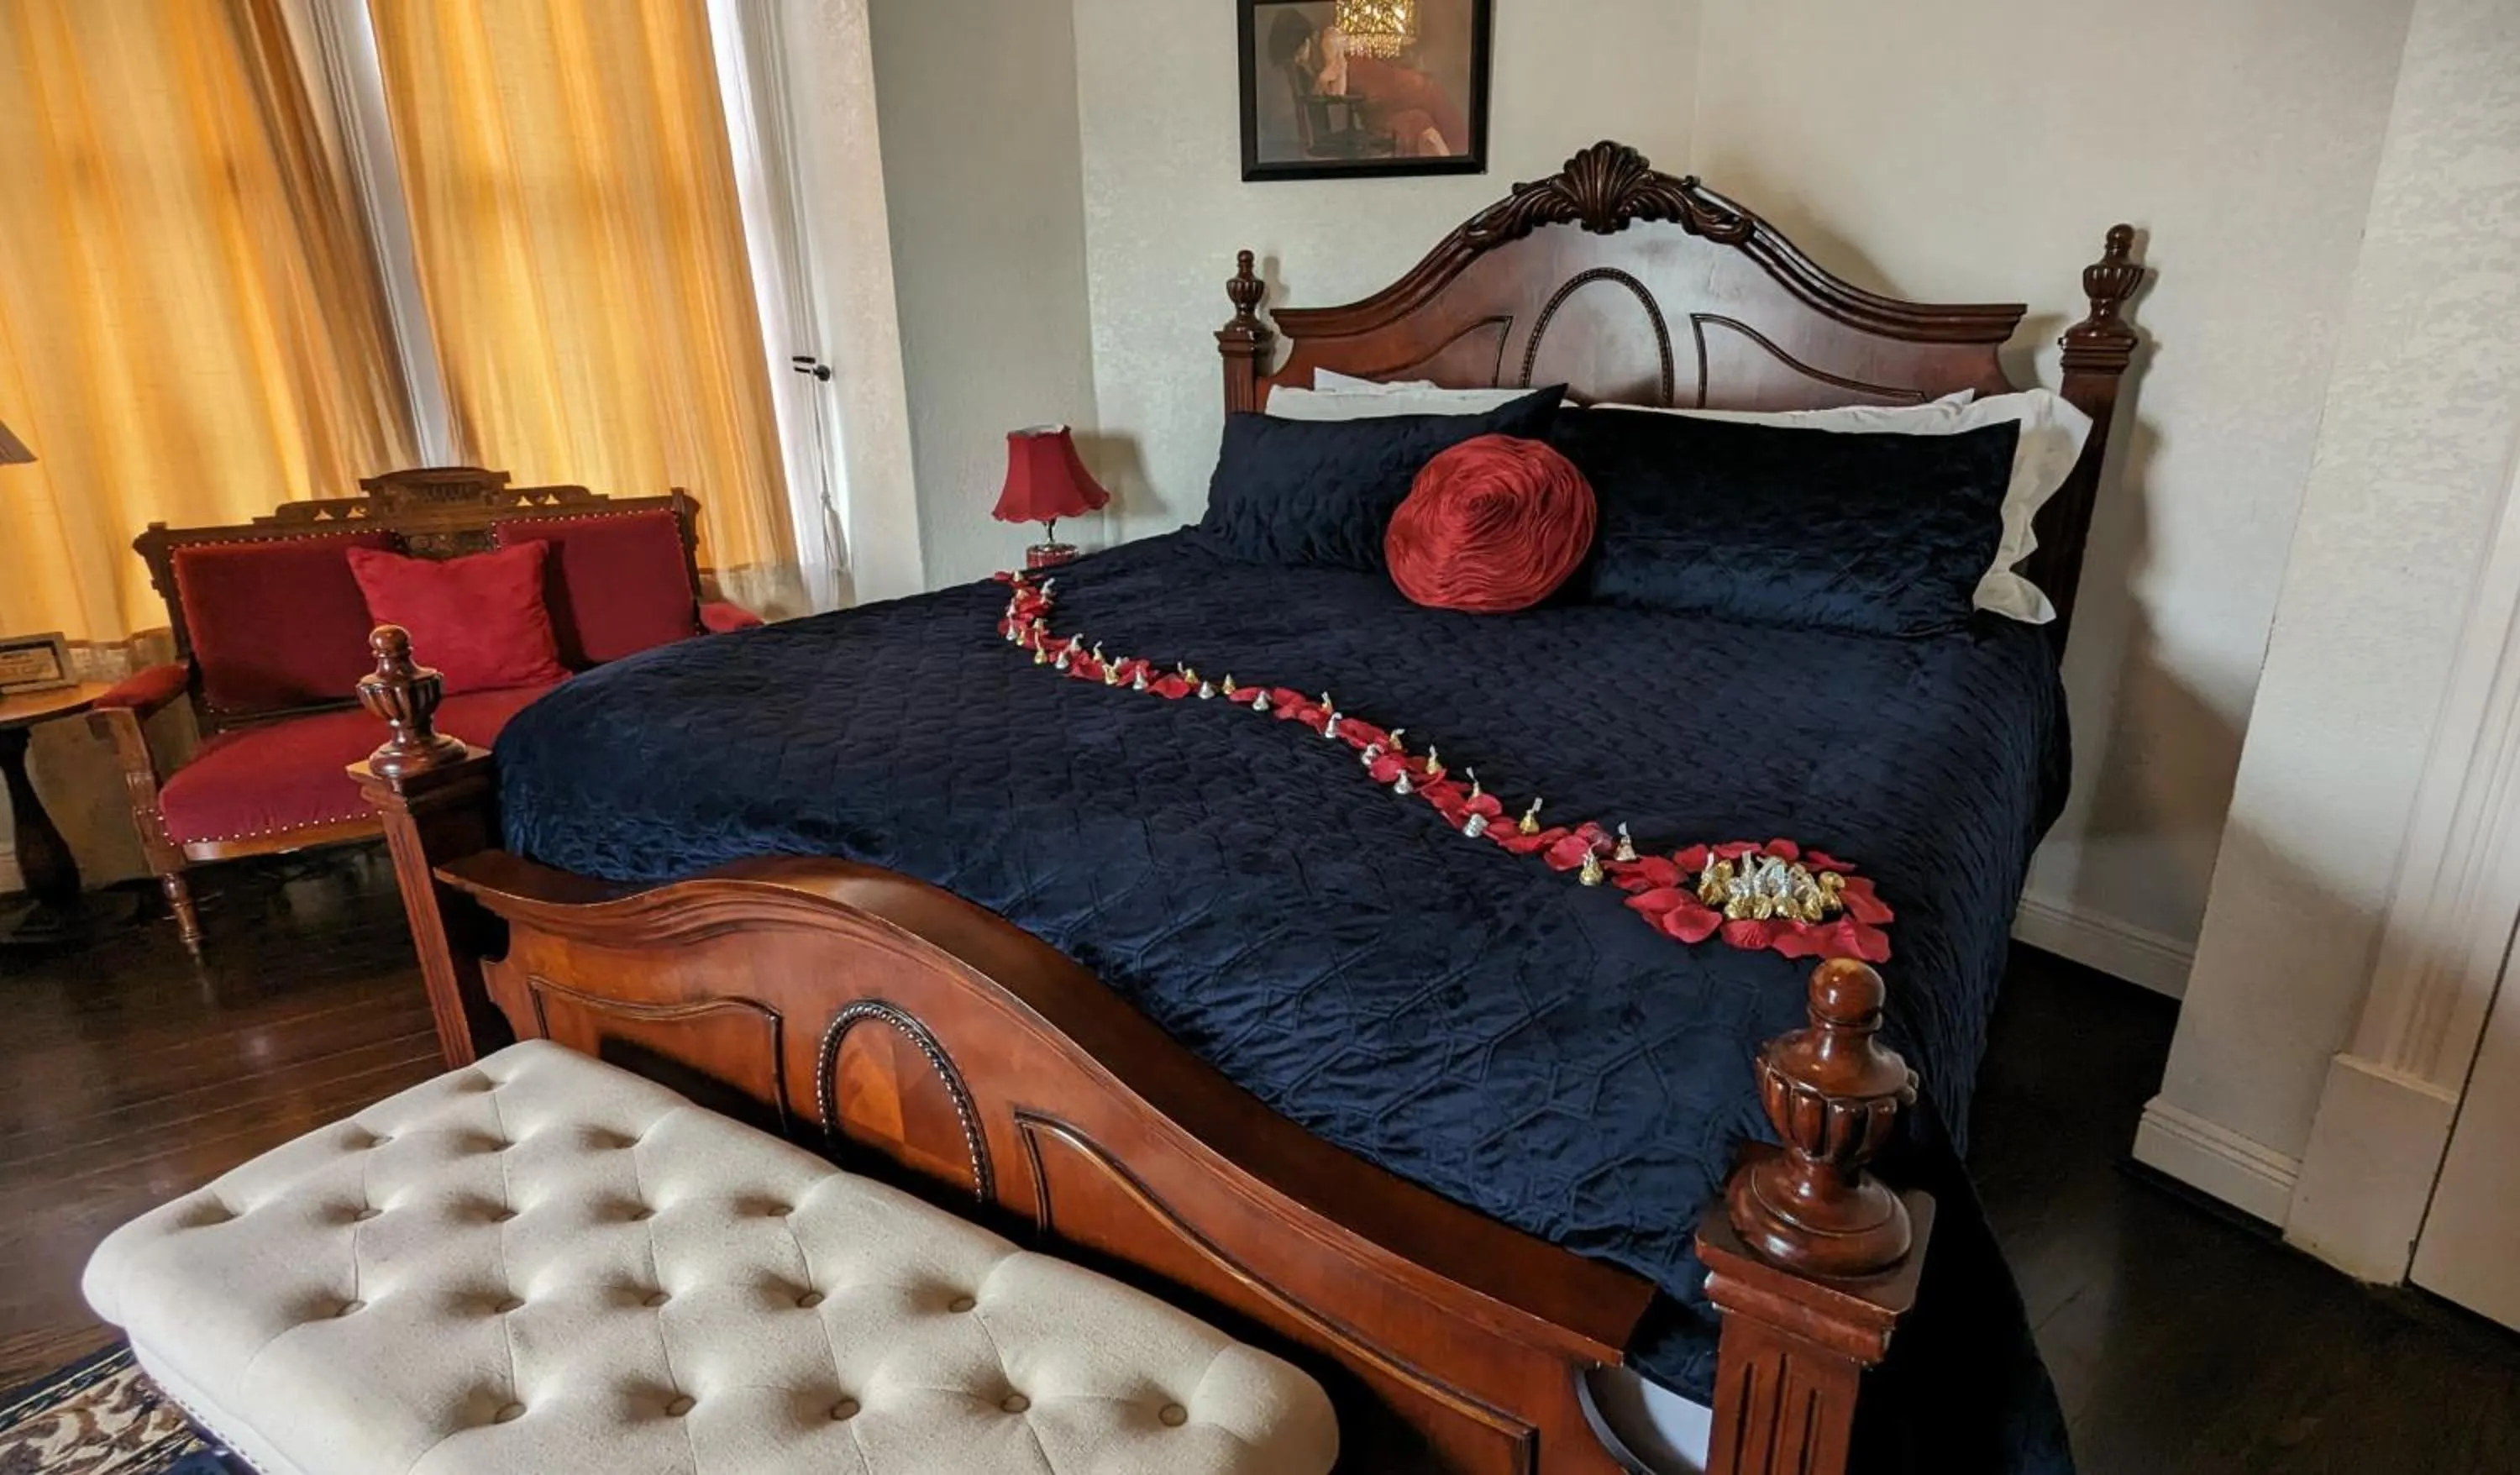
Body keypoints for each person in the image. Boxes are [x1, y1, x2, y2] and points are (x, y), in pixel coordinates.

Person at [1266, 8, 1466, 159]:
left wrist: (1320, 80)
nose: (1298, 61)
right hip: (1381, 100)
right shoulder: (1313, 59)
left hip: (1397, 89)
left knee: (1441, 129)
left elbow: (1338, 89)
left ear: (1307, 40)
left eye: (1299, 53)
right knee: (1416, 126)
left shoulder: (1328, 39)